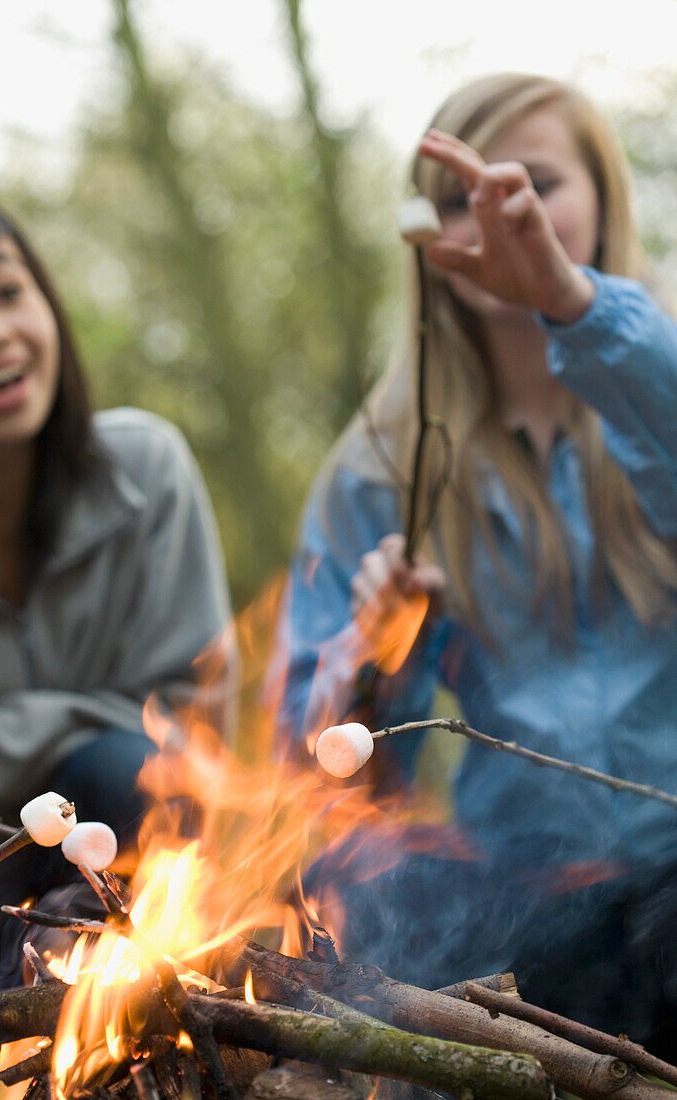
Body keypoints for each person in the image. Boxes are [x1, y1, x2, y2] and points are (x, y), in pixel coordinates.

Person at [278, 72, 677, 1049]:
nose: (496, 216)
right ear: (425, 235)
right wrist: (376, 662)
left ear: (600, 197)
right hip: (522, 904)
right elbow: (316, 771)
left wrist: (577, 309)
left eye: (532, 182)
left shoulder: (655, 373)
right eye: (458, 198)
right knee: (385, 899)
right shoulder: (380, 471)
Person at [0, 188, 236, 1046]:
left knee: (130, 770)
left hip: (132, 881)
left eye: (7, 292)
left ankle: (175, 1020)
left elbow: (184, 733)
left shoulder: (144, 473)